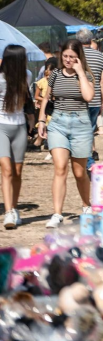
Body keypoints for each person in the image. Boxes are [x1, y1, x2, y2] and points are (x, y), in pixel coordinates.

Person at [37, 40, 95, 228]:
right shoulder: (55, 74)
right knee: (60, 167)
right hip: (58, 123)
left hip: (80, 124)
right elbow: (46, 98)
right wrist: (41, 120)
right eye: (65, 56)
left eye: (72, 57)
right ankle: (57, 214)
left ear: (79, 57)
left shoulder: (85, 75)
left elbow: (88, 97)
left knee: (79, 172)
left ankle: (86, 205)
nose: (68, 60)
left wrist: (80, 73)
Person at [0, 45, 33, 229]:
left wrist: (31, 119)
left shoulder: (26, 76)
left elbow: (27, 99)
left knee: (18, 171)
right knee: (6, 170)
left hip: (19, 126)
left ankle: (14, 207)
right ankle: (8, 212)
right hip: (1, 127)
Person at [75, 28, 103, 166]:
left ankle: (86, 160)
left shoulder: (74, 56)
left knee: (79, 131)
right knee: (89, 130)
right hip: (94, 99)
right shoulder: (100, 56)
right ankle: (86, 159)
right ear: (91, 40)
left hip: (78, 99)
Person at [32, 57, 57, 157]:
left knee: (50, 125)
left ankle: (44, 143)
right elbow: (37, 96)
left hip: (53, 106)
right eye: (47, 75)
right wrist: (44, 100)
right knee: (43, 124)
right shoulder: (41, 82)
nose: (48, 77)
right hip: (45, 106)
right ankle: (38, 143)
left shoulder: (57, 82)